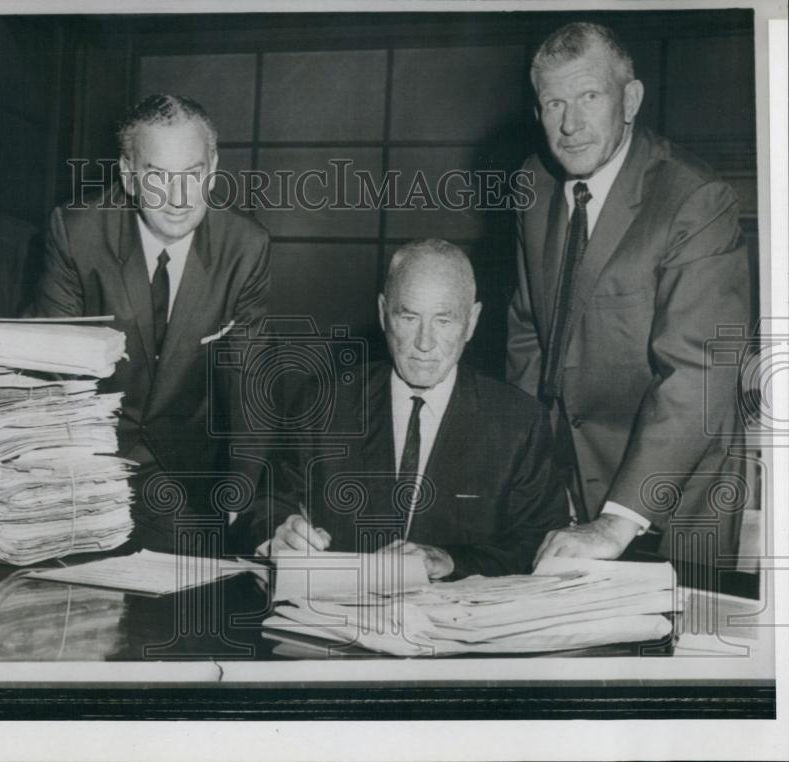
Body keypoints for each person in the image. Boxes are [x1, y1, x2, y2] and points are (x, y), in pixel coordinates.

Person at [506, 23, 750, 565]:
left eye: (589, 96)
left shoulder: (695, 199)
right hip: (563, 484)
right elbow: (528, 336)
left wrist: (616, 520)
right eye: (553, 103)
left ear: (630, 99)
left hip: (674, 495)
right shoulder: (535, 186)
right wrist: (532, 471)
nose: (569, 125)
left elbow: (701, 373)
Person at [29, 94, 271, 553]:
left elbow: (250, 378)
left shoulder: (246, 247)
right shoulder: (76, 233)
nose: (178, 199)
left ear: (213, 168)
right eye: (158, 176)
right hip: (87, 460)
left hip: (189, 473)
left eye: (193, 175)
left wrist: (241, 488)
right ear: (128, 175)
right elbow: (50, 371)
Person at [255, 240, 567, 580]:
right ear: (383, 314)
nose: (424, 342)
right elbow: (263, 506)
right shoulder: (323, 403)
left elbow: (537, 547)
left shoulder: (518, 422)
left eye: (444, 321)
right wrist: (278, 533)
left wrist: (450, 561)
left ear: (472, 322)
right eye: (409, 317)